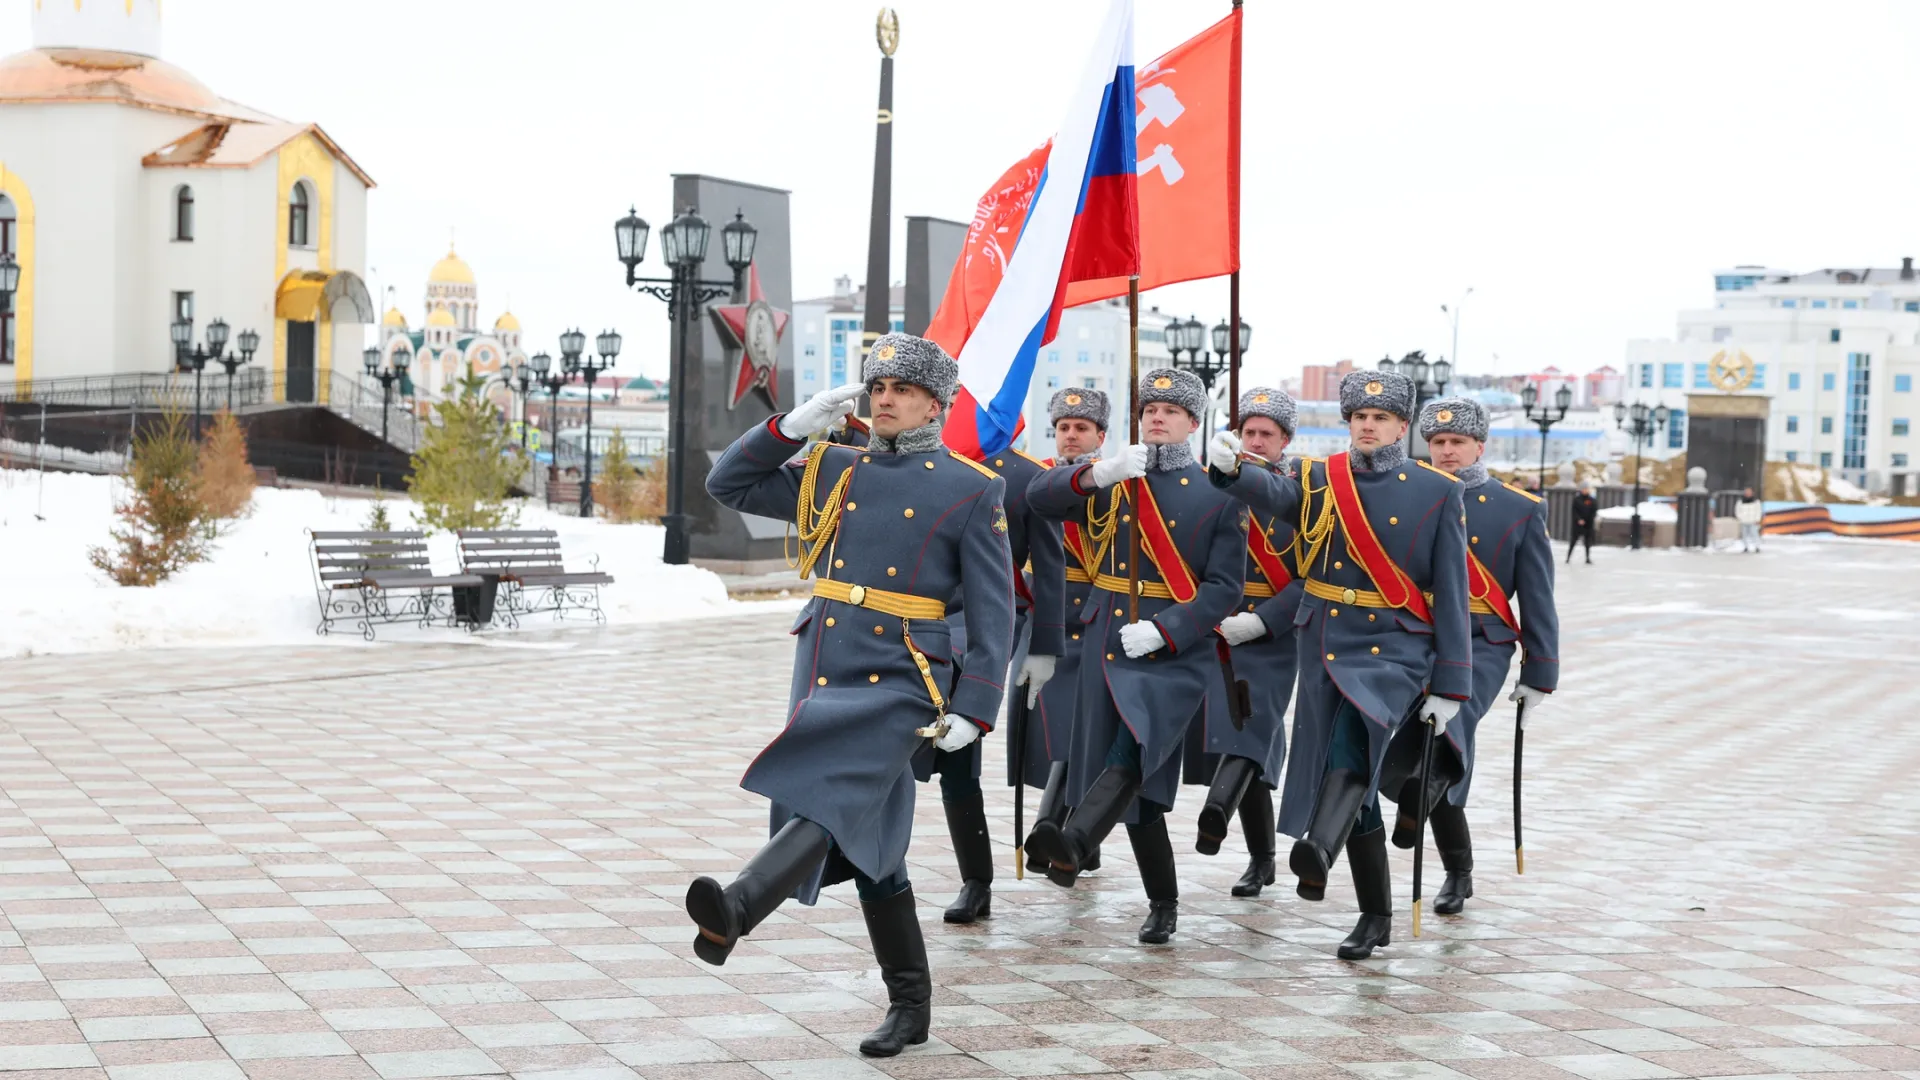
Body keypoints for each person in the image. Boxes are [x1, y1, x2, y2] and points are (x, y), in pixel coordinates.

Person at [694, 333, 1014, 1057]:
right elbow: (728, 485)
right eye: (878, 388)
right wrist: (785, 429)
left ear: (936, 402)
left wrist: (976, 706)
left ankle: (741, 904)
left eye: (902, 389)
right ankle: (911, 1006)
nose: (885, 399)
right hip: (826, 667)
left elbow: (996, 612)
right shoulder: (834, 467)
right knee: (872, 843)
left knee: (830, 802)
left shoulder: (971, 486)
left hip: (904, 678)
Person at [1206, 370, 1471, 960]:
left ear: (1403, 426)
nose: (1368, 426)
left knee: (1354, 745)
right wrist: (1232, 471)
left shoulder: (1436, 491)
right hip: (1325, 637)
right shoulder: (1320, 477)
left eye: (1380, 418)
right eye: (1358, 418)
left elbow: (1452, 592)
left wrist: (1451, 683)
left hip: (1395, 647)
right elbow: (1278, 497)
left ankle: (1319, 848)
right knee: (1362, 787)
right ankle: (1375, 914)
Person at [1024, 367, 1247, 944]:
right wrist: (1098, 471)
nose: (1156, 417)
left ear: (1194, 423)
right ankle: (1164, 901)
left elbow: (1224, 589)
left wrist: (1168, 630)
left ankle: (1073, 843)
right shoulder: (1118, 480)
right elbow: (1038, 499)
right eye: (1149, 408)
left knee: (1137, 749)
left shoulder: (1218, 495)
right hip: (1105, 637)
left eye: (1170, 411)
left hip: (1172, 652)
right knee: (1135, 785)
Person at [1410, 398, 1558, 916]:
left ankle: (1455, 870)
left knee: (1448, 732)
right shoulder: (1409, 496)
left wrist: (1539, 672)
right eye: (1438, 443)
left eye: (1457, 443)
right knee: (1412, 744)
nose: (1447, 451)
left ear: (1480, 445)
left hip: (1482, 643)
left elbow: (1537, 599)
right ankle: (1434, 833)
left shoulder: (1519, 508)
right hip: (1418, 636)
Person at [926, 400, 1065, 925]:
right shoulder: (931, 463)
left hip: (981, 625)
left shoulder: (1028, 478)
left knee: (958, 757)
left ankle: (975, 880)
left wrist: (1045, 645)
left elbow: (1049, 569)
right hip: (912, 618)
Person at [1190, 387, 1303, 897]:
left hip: (1274, 634)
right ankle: (1262, 859)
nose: (1256, 442)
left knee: (1253, 726)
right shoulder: (1215, 485)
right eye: (1249, 432)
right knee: (1243, 737)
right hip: (1217, 625)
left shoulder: (1304, 494)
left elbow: (1315, 574)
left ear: (1285, 442)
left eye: (1267, 435)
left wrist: (1265, 621)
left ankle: (1217, 810)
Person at [1022, 388, 1116, 877]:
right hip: (1049, 617)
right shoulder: (1040, 478)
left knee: (1083, 734)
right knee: (1056, 733)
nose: (1072, 435)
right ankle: (1067, 837)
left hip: (1097, 619)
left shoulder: (1115, 482)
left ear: (1101, 435)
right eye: (1064, 427)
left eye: (1082, 428)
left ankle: (1054, 834)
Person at [1568, 483, 1598, 564]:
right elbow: (1574, 511)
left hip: (1588, 524)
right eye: (1584, 489)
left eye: (1587, 488)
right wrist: (1579, 519)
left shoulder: (1592, 500)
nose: (1585, 490)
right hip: (1578, 524)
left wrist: (1589, 519)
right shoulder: (1577, 499)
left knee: (1588, 542)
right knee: (1573, 540)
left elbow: (1594, 511)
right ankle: (1568, 557)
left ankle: (1587, 558)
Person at [1735, 487, 1763, 552]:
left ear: (1752, 493)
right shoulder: (1740, 501)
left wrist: (1757, 519)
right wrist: (1740, 518)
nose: (1748, 493)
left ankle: (1757, 547)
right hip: (1743, 521)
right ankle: (1746, 547)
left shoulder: (1756, 501)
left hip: (1753, 521)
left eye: (1749, 492)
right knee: (1744, 535)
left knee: (1754, 534)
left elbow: (1758, 511)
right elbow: (1737, 510)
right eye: (1746, 492)